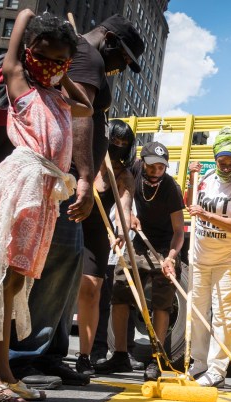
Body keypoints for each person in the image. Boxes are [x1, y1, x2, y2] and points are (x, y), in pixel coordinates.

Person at [0, 10, 92, 402]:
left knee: (13, 285)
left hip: (42, 196)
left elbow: (87, 105)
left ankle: (4, 373)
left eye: (61, 61)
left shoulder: (57, 95)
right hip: (16, 188)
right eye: (45, 58)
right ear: (31, 54)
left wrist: (63, 73)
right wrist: (26, 18)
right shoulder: (22, 87)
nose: (51, 66)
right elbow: (11, 61)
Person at [8, 14, 145, 387]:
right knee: (48, 267)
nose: (120, 70)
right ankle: (24, 357)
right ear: (113, 42)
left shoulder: (84, 55)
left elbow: (81, 108)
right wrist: (84, 176)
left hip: (64, 177)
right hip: (63, 178)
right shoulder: (89, 55)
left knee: (65, 266)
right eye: (124, 62)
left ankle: (49, 354)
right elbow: (79, 120)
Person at [101, 141, 184, 381]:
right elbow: (121, 196)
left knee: (161, 302)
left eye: (161, 167)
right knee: (120, 293)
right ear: (142, 163)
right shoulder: (134, 171)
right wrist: (127, 219)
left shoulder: (170, 188)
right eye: (152, 167)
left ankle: (156, 359)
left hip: (163, 247)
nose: (156, 172)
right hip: (136, 241)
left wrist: (170, 258)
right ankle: (119, 354)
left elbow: (179, 231)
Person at [183, 128, 231, 387]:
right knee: (197, 311)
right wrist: (191, 179)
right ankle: (199, 363)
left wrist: (207, 216)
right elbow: (189, 203)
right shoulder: (206, 177)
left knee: (224, 314)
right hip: (201, 255)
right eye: (222, 162)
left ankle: (217, 370)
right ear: (215, 159)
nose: (226, 167)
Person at [74, 118, 136, 376]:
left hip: (97, 234)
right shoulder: (82, 157)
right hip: (70, 224)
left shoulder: (122, 174)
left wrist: (121, 229)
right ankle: (43, 351)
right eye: (114, 142)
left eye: (124, 145)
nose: (117, 148)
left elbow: (124, 204)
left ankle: (84, 355)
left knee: (90, 292)